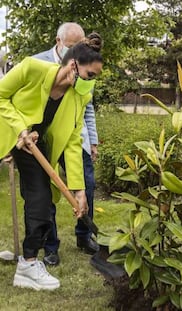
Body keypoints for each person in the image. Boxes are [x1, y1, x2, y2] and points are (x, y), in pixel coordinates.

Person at [0, 32, 104, 290]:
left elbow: (71, 141)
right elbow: (1, 96)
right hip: (9, 130)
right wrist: (20, 128)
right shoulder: (31, 68)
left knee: (41, 200)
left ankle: (29, 263)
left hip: (33, 144)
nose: (91, 84)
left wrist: (79, 190)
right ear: (73, 65)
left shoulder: (79, 97)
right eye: (90, 76)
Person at [33, 22, 100, 267]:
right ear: (58, 41)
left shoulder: (86, 64)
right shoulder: (37, 62)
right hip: (44, 139)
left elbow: (88, 106)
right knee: (47, 192)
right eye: (71, 47)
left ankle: (84, 236)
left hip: (74, 137)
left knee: (87, 185)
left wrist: (92, 140)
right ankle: (50, 246)